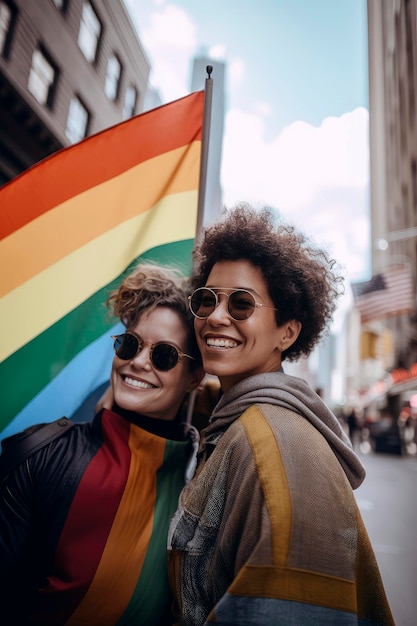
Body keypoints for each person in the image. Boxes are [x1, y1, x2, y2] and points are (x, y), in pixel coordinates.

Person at [168, 204, 394, 626]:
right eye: (207, 299)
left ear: (287, 332)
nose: (217, 316)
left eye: (241, 304)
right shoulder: (242, 426)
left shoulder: (276, 443)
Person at [0, 263, 204, 626]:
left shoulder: (202, 485)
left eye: (164, 355)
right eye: (130, 344)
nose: (139, 362)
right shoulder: (42, 452)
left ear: (195, 377)